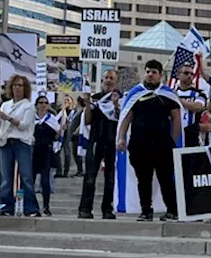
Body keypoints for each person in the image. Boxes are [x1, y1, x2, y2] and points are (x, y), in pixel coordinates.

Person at [117, 60, 182, 221]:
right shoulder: (135, 93)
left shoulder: (168, 94)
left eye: (153, 72)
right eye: (148, 71)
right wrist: (121, 137)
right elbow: (127, 117)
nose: (150, 75)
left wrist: (172, 141)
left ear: (160, 75)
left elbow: (176, 119)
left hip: (162, 144)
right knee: (143, 179)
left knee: (165, 178)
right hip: (140, 144)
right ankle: (146, 210)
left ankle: (172, 210)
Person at [0, 74, 37, 217]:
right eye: (15, 85)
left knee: (26, 176)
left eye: (20, 85)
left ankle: (31, 208)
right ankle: (6, 207)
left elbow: (23, 126)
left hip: (22, 142)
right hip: (6, 142)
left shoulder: (28, 106)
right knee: (5, 177)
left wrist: (8, 118)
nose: (17, 88)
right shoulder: (6, 105)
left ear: (25, 89)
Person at [80, 70, 120, 219]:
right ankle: (85, 208)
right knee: (90, 176)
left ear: (116, 82)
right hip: (96, 140)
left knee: (110, 178)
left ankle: (107, 209)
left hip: (112, 141)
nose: (108, 81)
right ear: (102, 80)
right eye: (106, 78)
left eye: (112, 78)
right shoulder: (95, 99)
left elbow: (122, 118)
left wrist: (116, 105)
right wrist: (88, 104)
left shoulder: (120, 98)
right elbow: (87, 121)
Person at [31, 96, 59, 217]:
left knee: (45, 181)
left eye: (45, 103)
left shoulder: (52, 119)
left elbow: (56, 136)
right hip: (33, 151)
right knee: (30, 180)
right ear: (36, 105)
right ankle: (32, 205)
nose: (43, 105)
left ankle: (46, 206)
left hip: (46, 152)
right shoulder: (32, 118)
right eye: (40, 102)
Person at [173, 64, 208, 148]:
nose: (189, 76)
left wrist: (178, 99)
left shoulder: (199, 93)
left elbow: (197, 107)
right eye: (186, 73)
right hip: (175, 136)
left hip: (192, 137)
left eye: (191, 74)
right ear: (178, 75)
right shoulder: (171, 92)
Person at [57, 96, 76, 178]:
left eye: (68, 101)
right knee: (57, 153)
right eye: (64, 100)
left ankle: (66, 171)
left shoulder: (72, 112)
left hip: (67, 135)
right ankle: (59, 171)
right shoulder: (59, 111)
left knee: (67, 153)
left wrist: (67, 125)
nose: (66, 102)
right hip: (59, 133)